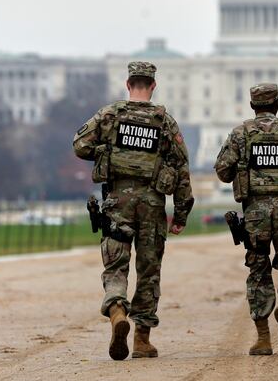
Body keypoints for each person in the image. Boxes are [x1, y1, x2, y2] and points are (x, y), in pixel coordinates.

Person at [72, 61, 194, 360]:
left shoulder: (110, 114)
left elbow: (80, 145)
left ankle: (116, 310)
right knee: (149, 271)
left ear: (128, 84)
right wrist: (180, 214)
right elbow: (181, 168)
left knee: (116, 263)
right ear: (153, 86)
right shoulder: (165, 121)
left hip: (118, 201)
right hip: (152, 204)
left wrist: (108, 152)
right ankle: (142, 339)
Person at [215, 83, 278, 355]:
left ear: (252, 105)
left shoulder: (241, 134)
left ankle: (263, 339)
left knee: (258, 270)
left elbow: (223, 171)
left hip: (255, 213)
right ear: (277, 104)